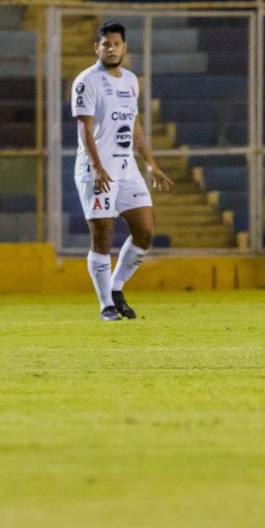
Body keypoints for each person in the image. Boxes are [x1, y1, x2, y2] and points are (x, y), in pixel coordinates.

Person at [72, 20, 174, 322]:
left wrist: (151, 163)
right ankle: (105, 305)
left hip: (127, 168)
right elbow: (84, 128)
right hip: (97, 171)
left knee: (145, 232)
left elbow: (134, 125)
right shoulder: (86, 81)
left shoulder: (131, 80)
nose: (111, 48)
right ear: (97, 47)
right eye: (106, 44)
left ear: (125, 48)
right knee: (102, 237)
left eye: (116, 44)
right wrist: (97, 166)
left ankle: (116, 288)